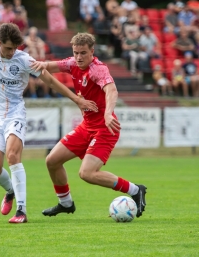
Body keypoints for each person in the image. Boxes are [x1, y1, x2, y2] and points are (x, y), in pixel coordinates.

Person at [0, 21, 98, 223]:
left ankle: (21, 211)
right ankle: (10, 190)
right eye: (8, 48)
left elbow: (50, 81)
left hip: (15, 114)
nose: (12, 53)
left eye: (15, 48)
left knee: (12, 155)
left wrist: (77, 99)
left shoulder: (24, 60)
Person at [30, 33, 147, 219]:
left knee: (87, 173)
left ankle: (135, 190)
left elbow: (111, 90)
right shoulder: (72, 63)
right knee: (51, 160)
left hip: (105, 129)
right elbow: (50, 66)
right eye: (76, 52)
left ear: (92, 51)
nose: (79, 57)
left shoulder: (97, 70)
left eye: (83, 53)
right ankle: (66, 203)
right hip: (87, 127)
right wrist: (41, 64)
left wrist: (108, 113)